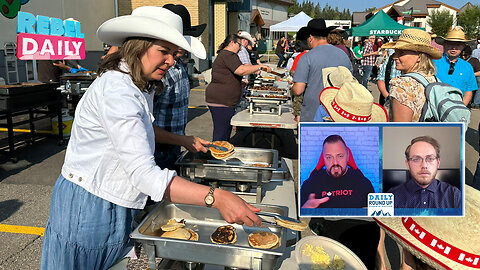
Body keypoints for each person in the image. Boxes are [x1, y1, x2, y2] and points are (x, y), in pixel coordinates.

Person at [41, 7, 262, 270]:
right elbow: (144, 175)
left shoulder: (138, 83)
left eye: (175, 53)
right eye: (164, 51)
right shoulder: (118, 91)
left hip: (112, 198)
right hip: (90, 204)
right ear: (138, 46)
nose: (170, 61)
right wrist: (216, 196)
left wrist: (184, 141)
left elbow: (142, 130)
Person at [152, 4, 208, 170]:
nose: (183, 45)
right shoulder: (157, 71)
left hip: (174, 145)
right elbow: (142, 125)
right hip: (156, 149)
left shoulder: (179, 65)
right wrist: (184, 140)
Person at [205, 34, 271, 141]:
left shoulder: (228, 55)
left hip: (224, 101)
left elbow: (230, 74)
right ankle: (217, 154)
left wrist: (239, 83)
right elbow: (241, 70)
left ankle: (221, 152)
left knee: (224, 132)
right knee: (221, 134)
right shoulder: (228, 54)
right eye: (239, 45)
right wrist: (260, 66)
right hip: (221, 101)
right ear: (232, 43)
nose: (240, 48)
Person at [292, 18, 352, 122]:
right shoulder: (343, 55)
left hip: (312, 114)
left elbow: (298, 90)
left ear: (310, 38)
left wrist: (292, 88)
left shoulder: (307, 57)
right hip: (338, 113)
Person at [381, 28, 442, 122]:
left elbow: (400, 130)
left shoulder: (402, 86)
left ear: (419, 57)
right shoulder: (434, 80)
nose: (395, 57)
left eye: (402, 53)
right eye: (395, 52)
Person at [300, 134, 375, 208]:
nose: (335, 162)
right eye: (329, 157)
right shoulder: (309, 185)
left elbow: (378, 216)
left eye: (340, 156)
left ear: (348, 156)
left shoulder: (363, 183)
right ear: (323, 158)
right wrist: (305, 210)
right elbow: (298, 217)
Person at [388, 136, 461, 208]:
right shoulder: (392, 196)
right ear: (408, 164)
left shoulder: (455, 195)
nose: (424, 165)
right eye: (416, 159)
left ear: (438, 163)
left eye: (430, 158)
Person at [434, 26, 477, 106]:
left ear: (463, 46)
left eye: (458, 44)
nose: (454, 47)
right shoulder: (433, 63)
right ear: (444, 44)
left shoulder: (467, 67)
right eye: (450, 43)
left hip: (457, 110)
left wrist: (459, 110)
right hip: (433, 111)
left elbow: (468, 91)